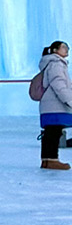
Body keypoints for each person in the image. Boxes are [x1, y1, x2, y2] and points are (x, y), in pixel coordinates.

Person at [37, 41, 72, 170]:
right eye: (64, 47)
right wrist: (69, 100)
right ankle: (52, 160)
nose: (67, 49)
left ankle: (47, 160)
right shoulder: (56, 64)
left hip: (49, 104)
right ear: (55, 50)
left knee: (50, 132)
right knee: (54, 132)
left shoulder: (50, 63)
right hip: (55, 104)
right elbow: (59, 85)